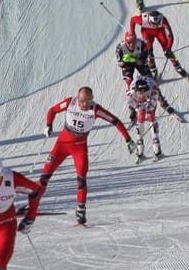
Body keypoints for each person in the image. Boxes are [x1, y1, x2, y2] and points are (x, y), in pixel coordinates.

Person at [39, 86, 132, 227]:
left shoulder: (95, 109)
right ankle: (32, 203)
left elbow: (115, 121)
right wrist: (48, 125)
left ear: (91, 99)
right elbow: (52, 111)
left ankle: (81, 211)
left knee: (81, 179)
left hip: (79, 147)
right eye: (82, 101)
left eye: (87, 101)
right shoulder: (70, 102)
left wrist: (128, 139)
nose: (84, 104)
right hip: (62, 145)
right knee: (45, 175)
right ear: (78, 97)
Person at [123, 73, 182, 162]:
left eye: (145, 93)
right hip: (141, 96)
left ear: (147, 91)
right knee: (140, 116)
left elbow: (152, 105)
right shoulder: (131, 94)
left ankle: (157, 148)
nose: (142, 95)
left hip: (151, 86)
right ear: (136, 91)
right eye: (140, 93)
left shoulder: (153, 91)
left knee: (151, 116)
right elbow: (132, 104)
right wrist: (139, 106)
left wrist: (147, 103)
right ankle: (140, 148)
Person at [129, 8, 189, 85]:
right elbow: (132, 20)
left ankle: (178, 67)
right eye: (154, 24)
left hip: (160, 32)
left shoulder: (163, 20)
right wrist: (132, 33)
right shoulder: (142, 20)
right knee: (149, 52)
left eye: (157, 24)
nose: (155, 26)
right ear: (150, 20)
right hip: (147, 32)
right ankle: (153, 70)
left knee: (167, 49)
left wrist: (168, 49)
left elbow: (170, 36)